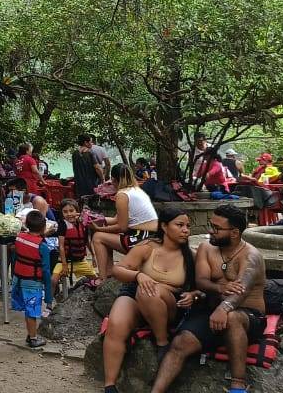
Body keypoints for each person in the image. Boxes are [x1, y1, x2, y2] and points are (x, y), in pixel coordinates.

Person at [150, 205, 266, 393]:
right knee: (180, 343)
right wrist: (219, 289)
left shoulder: (251, 256)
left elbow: (241, 291)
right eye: (211, 225)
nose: (211, 231)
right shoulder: (206, 247)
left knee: (232, 318)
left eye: (217, 228)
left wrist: (223, 308)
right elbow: (201, 281)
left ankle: (238, 385)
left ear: (234, 233)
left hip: (247, 316)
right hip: (211, 313)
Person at [101, 206, 199, 393]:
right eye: (180, 225)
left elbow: (201, 289)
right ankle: (110, 384)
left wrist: (193, 294)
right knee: (116, 324)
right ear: (164, 226)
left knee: (149, 291)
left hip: (169, 303)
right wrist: (138, 275)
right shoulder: (147, 247)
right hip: (137, 292)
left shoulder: (191, 256)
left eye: (188, 226)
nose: (185, 230)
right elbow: (118, 270)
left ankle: (162, 342)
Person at [91, 164, 159, 282]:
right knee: (106, 236)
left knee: (98, 237)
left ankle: (102, 278)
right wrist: (98, 219)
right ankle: (109, 272)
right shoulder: (136, 191)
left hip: (141, 238)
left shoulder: (122, 195)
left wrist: (98, 229)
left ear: (113, 179)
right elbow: (116, 219)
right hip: (150, 236)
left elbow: (122, 227)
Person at [11, 210, 53, 349]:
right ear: (43, 227)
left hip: (18, 279)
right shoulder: (43, 247)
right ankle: (33, 339)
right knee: (32, 311)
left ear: (27, 225)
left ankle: (31, 333)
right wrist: (48, 296)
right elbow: (46, 271)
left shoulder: (19, 238)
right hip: (33, 282)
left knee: (28, 309)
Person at [52, 198, 98, 295]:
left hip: (81, 261)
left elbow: (87, 242)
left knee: (96, 280)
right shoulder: (62, 225)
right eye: (65, 212)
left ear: (77, 211)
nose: (69, 214)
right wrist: (64, 265)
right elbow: (61, 246)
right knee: (53, 280)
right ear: (62, 213)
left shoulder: (83, 224)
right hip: (65, 261)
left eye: (71, 211)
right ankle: (49, 302)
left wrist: (94, 256)